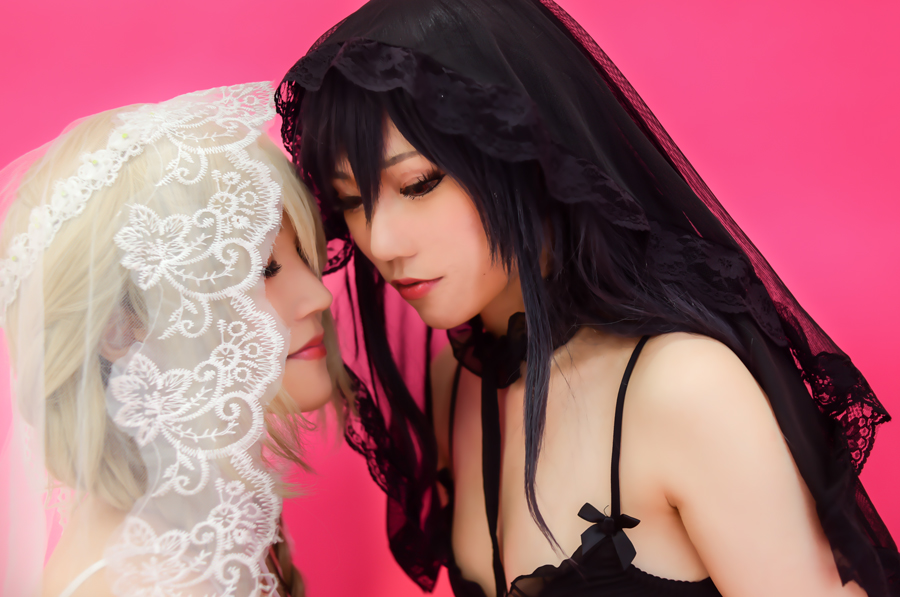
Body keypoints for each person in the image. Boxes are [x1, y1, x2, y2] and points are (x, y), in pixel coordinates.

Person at [274, 0, 899, 595]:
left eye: (418, 183)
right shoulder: (456, 384)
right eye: (351, 200)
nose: (380, 242)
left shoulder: (684, 388)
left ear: (523, 152)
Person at [0, 82, 351, 596]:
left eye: (304, 253)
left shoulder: (204, 526)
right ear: (121, 330)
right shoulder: (152, 582)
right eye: (260, 270)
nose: (318, 296)